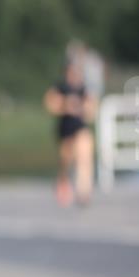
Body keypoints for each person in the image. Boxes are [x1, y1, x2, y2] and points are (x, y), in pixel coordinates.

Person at [44, 55, 97, 206]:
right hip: (65, 130)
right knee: (66, 161)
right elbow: (50, 105)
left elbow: (92, 111)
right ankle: (63, 183)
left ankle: (83, 191)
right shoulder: (60, 88)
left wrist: (83, 108)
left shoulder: (84, 90)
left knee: (84, 158)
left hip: (80, 128)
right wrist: (65, 106)